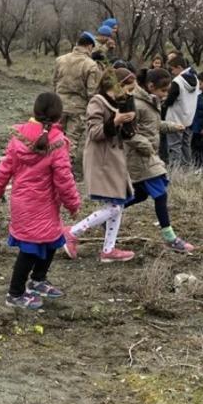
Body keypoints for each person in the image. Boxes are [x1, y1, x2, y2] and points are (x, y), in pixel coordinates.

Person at [0, 92, 82, 310]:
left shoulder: (19, 137)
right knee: (30, 248)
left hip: (31, 202)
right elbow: (64, 178)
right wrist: (73, 204)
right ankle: (15, 293)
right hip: (39, 202)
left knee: (53, 240)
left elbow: (4, 169)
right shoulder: (58, 143)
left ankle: (38, 280)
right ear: (59, 116)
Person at [62, 69, 136, 263]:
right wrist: (115, 121)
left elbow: (126, 134)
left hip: (114, 159)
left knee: (117, 205)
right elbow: (95, 132)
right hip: (102, 160)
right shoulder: (97, 101)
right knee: (113, 207)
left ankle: (108, 249)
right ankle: (73, 232)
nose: (130, 92)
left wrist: (128, 124)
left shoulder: (121, 103)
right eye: (127, 87)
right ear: (116, 85)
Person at [124, 68, 194, 253]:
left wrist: (171, 126)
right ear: (150, 86)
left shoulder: (150, 102)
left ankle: (108, 216)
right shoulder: (136, 104)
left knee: (140, 195)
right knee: (160, 193)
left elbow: (152, 126)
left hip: (148, 155)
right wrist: (145, 146)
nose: (165, 95)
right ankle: (170, 237)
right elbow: (127, 132)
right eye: (163, 91)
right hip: (140, 156)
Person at [53, 31, 101, 167]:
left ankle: (50, 167)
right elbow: (92, 91)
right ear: (89, 46)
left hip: (58, 104)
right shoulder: (91, 65)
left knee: (55, 137)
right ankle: (65, 171)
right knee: (71, 141)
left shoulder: (60, 60)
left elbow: (54, 82)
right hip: (78, 108)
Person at [162, 55, 199, 168]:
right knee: (185, 145)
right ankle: (187, 169)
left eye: (172, 69)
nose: (172, 72)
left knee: (174, 146)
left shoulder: (177, 82)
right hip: (188, 119)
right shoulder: (196, 79)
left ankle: (175, 171)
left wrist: (163, 101)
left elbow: (169, 100)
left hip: (175, 119)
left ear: (179, 67)